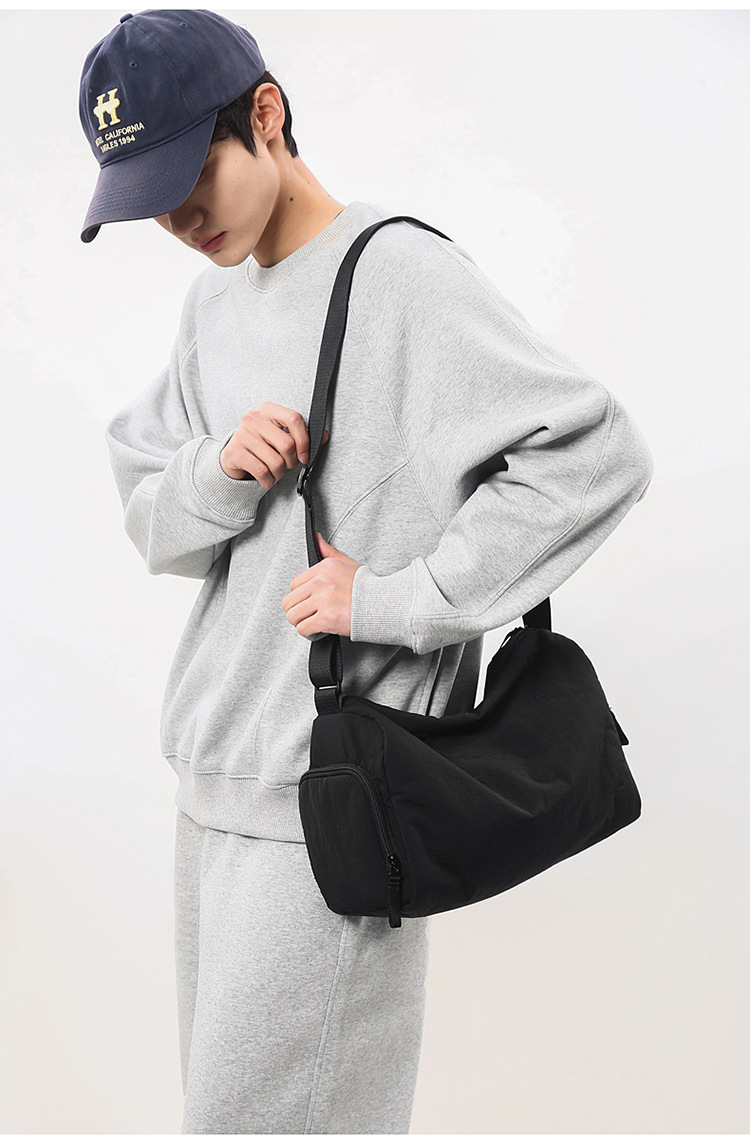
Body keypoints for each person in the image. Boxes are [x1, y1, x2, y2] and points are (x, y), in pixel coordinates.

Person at [79, 9, 654, 1135]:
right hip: (212, 794)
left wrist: (401, 599)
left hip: (329, 809)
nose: (178, 220)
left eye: (187, 177)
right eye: (148, 200)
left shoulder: (400, 278)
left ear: (266, 114)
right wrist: (218, 468)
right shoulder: (214, 303)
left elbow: (597, 454)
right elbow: (153, 521)